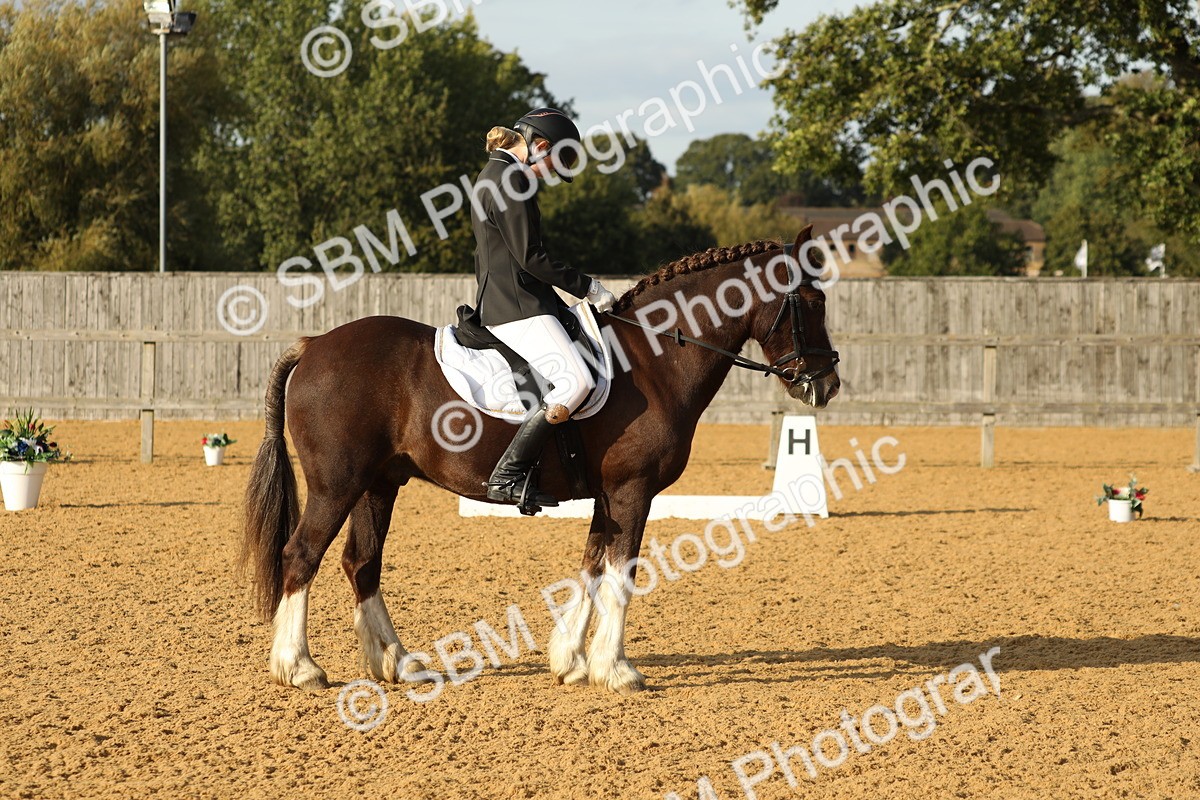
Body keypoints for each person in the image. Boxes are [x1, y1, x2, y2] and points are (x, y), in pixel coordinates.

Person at [468, 107, 617, 508]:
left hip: (515, 300)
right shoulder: (511, 179)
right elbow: (531, 257)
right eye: (555, 162)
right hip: (517, 308)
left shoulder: (496, 174)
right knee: (577, 383)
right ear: (541, 146)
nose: (553, 173)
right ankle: (508, 475)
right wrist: (587, 287)